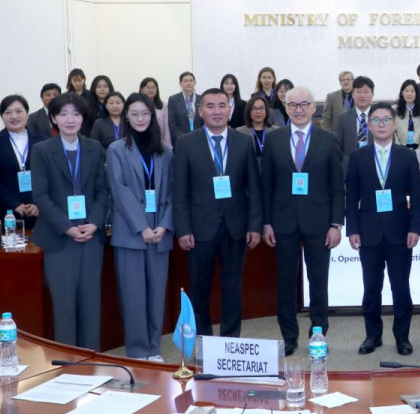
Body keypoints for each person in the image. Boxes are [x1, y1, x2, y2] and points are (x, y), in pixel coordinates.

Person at [173, 88, 262, 338]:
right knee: (199, 289)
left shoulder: (244, 141)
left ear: (230, 109)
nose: (217, 111)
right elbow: (179, 190)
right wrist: (183, 229)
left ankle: (230, 341)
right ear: (200, 111)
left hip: (236, 228)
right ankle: (204, 342)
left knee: (232, 288)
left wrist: (254, 225)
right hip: (199, 229)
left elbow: (254, 188)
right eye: (210, 106)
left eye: (222, 106)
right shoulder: (186, 143)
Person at [261, 87, 343, 356]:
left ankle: (318, 333)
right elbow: (266, 186)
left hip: (319, 222)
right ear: (286, 108)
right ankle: (289, 336)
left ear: (313, 108)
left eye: (304, 104)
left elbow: (336, 187)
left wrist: (336, 224)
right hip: (282, 222)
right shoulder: (273, 139)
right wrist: (266, 223)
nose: (298, 109)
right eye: (293, 105)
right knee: (285, 282)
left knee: (318, 281)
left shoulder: (328, 139)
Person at [30, 92, 107, 349]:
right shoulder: (42, 150)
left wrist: (94, 223)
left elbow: (102, 192)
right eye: (63, 114)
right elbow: (41, 196)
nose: (70, 119)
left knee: (91, 303)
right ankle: (68, 363)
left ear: (83, 118)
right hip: (59, 238)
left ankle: (91, 359)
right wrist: (67, 227)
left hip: (90, 236)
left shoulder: (94, 148)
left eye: (75, 114)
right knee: (64, 305)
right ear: (54, 118)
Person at [346, 102, 420, 356]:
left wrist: (416, 228)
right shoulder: (357, 157)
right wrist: (352, 230)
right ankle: (373, 335)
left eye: (386, 120)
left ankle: (402, 337)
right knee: (371, 288)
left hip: (400, 233)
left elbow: (417, 195)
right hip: (368, 234)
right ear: (369, 125)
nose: (381, 125)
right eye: (376, 120)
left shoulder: (407, 156)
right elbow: (351, 197)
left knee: (401, 288)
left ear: (394, 124)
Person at [108, 93, 174, 362]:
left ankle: (154, 349)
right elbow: (119, 191)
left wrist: (165, 225)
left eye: (145, 113)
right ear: (126, 116)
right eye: (134, 113)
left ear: (153, 116)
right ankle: (137, 351)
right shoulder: (116, 149)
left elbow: (173, 192)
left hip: (160, 232)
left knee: (157, 294)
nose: (140, 119)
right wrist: (142, 227)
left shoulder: (166, 151)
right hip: (130, 233)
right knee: (133, 295)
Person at [0, 94, 43, 229]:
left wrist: (37, 203)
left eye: (19, 111)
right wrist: (13, 204)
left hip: (38, 212)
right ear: (2, 116)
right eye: (8, 113)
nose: (14, 116)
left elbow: (47, 177)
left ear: (27, 113)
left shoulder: (42, 142)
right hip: (4, 211)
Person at [333, 76, 377, 171]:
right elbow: (336, 148)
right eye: (358, 92)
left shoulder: (380, 117)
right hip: (350, 168)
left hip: (375, 167)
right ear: (353, 94)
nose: (362, 95)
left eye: (366, 92)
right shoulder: (342, 118)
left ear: (372, 94)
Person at [238, 95, 272, 171]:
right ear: (248, 111)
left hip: (271, 171)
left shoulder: (275, 131)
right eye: (254, 108)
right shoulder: (240, 132)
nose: (258, 111)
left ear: (266, 110)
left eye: (261, 108)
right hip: (249, 171)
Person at [396, 79, 420, 150]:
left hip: (418, 147)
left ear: (416, 93)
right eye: (406, 91)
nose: (409, 94)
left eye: (412, 91)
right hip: (400, 147)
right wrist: (398, 149)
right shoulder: (394, 110)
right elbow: (393, 132)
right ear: (402, 93)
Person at [166, 71, 201, 144]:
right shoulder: (173, 100)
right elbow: (172, 123)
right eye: (185, 81)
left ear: (194, 83)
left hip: (199, 139)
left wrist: (200, 136)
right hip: (180, 140)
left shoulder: (201, 99)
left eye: (191, 81)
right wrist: (183, 139)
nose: (188, 83)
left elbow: (205, 120)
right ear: (180, 83)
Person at [139, 77, 171, 147]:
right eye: (148, 87)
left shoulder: (162, 105)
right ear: (141, 89)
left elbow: (166, 128)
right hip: (141, 140)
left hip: (158, 142)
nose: (150, 90)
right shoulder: (137, 105)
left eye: (153, 87)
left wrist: (168, 145)